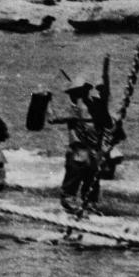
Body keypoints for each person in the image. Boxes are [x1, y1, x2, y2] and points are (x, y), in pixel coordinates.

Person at [55, 76, 105, 214]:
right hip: (90, 152)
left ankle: (82, 206)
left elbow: (53, 118)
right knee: (88, 184)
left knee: (76, 183)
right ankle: (87, 206)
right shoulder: (93, 107)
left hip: (81, 153)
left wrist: (45, 102)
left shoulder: (77, 108)